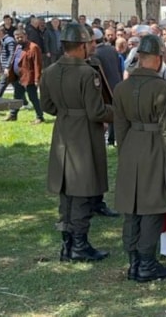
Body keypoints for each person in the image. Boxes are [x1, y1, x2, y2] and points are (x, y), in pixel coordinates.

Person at [40, 23, 113, 263]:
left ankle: (67, 244)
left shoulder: (50, 71)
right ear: (82, 45)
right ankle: (79, 246)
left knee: (66, 192)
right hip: (83, 135)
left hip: (63, 132)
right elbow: (96, 111)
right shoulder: (87, 73)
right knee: (82, 190)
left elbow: (48, 107)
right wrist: (120, 112)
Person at [113, 34, 166, 282]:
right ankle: (147, 264)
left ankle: (133, 261)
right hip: (154, 149)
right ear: (159, 58)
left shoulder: (122, 88)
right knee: (152, 207)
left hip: (131, 145)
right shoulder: (163, 88)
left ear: (139, 57)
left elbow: (119, 127)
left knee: (131, 207)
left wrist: (125, 153)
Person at [4, 30, 44, 124]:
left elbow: (37, 64)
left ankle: (40, 117)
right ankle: (13, 115)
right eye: (17, 37)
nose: (19, 39)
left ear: (26, 36)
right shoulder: (18, 47)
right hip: (18, 78)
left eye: (21, 37)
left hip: (29, 78)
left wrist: (37, 79)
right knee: (17, 97)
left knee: (33, 98)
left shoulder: (33, 47)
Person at [0, 26, 17, 98]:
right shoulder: (4, 40)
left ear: (1, 33)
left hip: (9, 68)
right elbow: (3, 54)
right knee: (16, 86)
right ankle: (25, 102)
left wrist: (7, 67)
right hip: (7, 67)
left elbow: (12, 54)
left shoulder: (9, 41)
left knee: (2, 84)